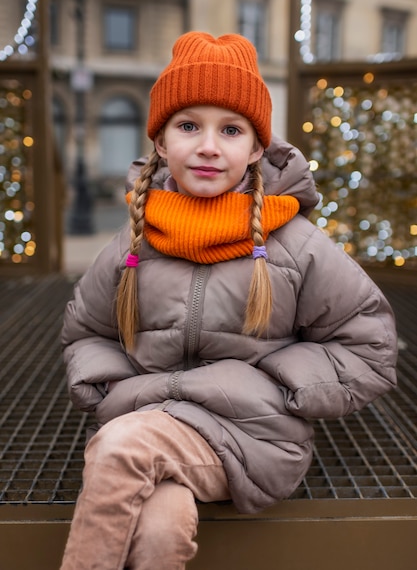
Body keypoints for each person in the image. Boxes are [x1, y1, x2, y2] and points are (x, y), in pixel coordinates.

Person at [60, 31, 397, 570]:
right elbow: (88, 331)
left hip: (249, 439)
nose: (209, 146)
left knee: (119, 449)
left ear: (257, 147)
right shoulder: (136, 240)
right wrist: (110, 387)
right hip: (148, 416)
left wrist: (278, 385)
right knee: (158, 532)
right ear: (162, 142)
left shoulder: (295, 244)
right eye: (189, 125)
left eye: (231, 129)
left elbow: (370, 346)